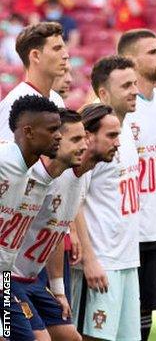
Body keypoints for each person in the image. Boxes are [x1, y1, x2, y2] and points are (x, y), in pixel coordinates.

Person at [70, 55, 141, 341]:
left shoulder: (123, 133)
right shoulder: (90, 142)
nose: (135, 90)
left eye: (135, 82)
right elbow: (73, 199)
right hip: (102, 260)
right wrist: (89, 259)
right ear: (103, 92)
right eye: (126, 85)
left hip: (126, 258)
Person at [117, 28, 156, 341]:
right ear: (130, 60)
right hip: (121, 234)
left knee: (145, 316)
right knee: (111, 318)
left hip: (154, 230)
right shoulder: (117, 110)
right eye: (152, 51)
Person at [11, 109, 86, 341]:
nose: (84, 145)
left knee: (71, 337)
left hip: (33, 279)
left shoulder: (74, 177)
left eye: (85, 138)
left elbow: (53, 232)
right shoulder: (22, 174)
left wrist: (58, 289)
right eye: (76, 139)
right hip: (8, 278)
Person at [0, 95, 61, 340]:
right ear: (29, 132)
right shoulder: (4, 162)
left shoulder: (26, 169)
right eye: (52, 130)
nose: (59, 135)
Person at [0, 22, 69, 140]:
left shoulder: (56, 99)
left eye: (64, 48)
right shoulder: (13, 104)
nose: (66, 55)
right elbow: (6, 157)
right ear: (36, 56)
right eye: (57, 49)